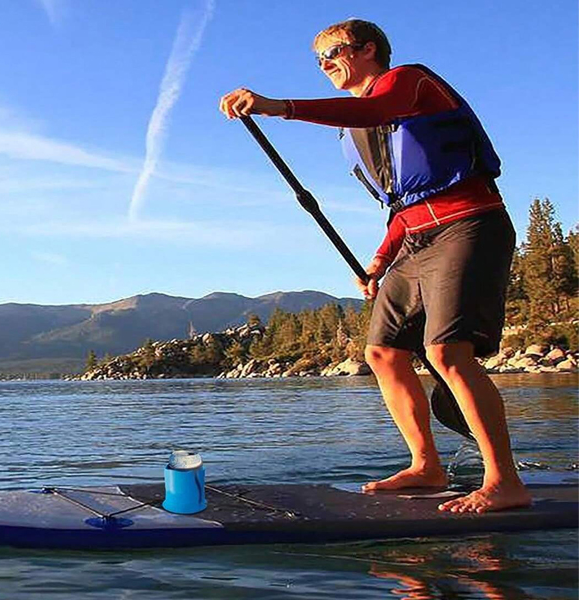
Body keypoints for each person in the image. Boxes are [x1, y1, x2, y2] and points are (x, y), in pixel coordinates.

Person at [219, 18, 531, 513]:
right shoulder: (355, 125)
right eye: (318, 59)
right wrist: (381, 259)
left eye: (333, 53)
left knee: (447, 352)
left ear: (367, 49)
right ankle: (426, 466)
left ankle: (504, 482)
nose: (324, 64)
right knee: (383, 353)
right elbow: (403, 202)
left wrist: (279, 107)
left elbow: (379, 109)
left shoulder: (409, 81)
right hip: (414, 239)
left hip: (468, 225)